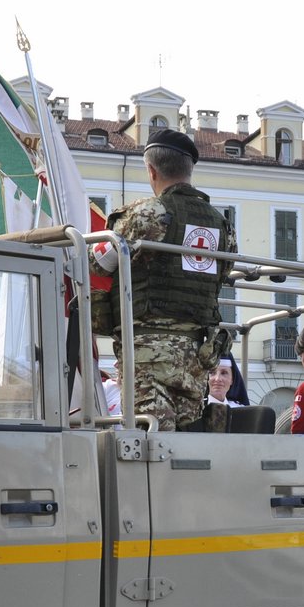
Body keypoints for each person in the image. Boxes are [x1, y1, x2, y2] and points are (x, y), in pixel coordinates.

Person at [91, 128, 235, 431]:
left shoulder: (146, 214)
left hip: (149, 351)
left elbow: (97, 264)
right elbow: (224, 271)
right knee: (185, 440)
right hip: (198, 353)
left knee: (150, 440)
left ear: (151, 169)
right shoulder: (223, 226)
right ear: (190, 169)